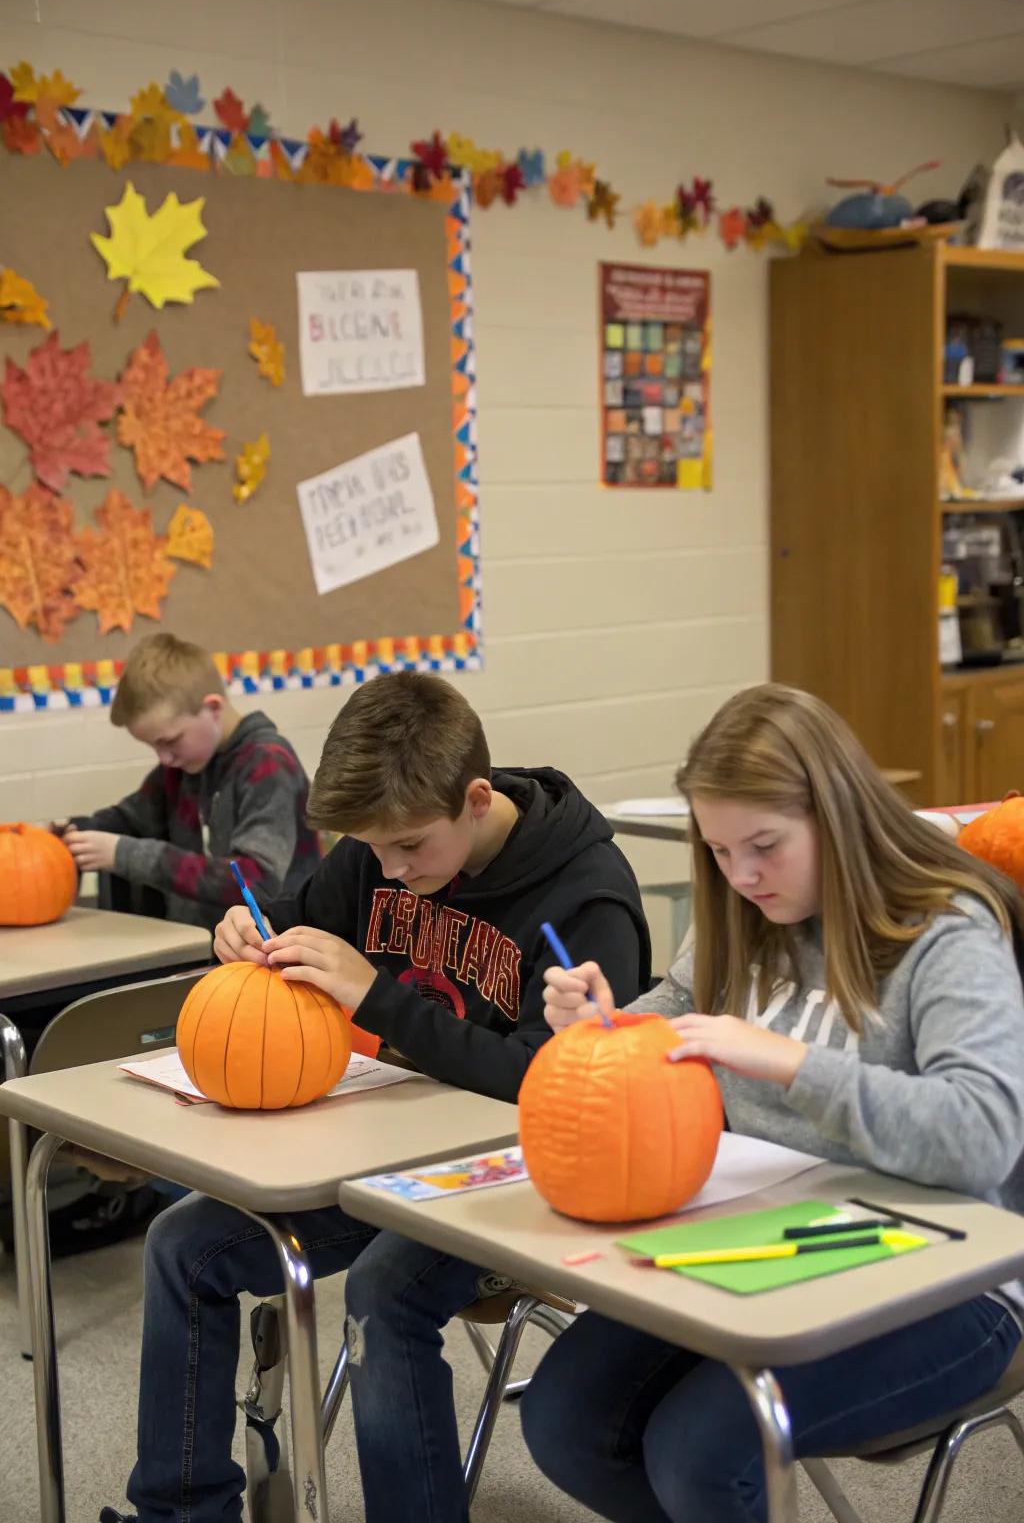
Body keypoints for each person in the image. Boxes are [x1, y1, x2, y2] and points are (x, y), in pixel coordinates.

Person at [102, 670, 650, 1523]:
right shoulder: (380, 847)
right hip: (391, 1153)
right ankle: (179, 1514)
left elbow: (558, 1083)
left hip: (522, 1172)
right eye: (371, 849)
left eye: (408, 849)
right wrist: (252, 928)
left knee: (385, 1291)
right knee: (184, 1243)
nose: (389, 870)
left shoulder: (587, 894)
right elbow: (308, 913)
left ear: (474, 799)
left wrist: (378, 999)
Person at [522, 682, 1024, 1523]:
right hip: (776, 1242)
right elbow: (676, 1023)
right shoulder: (743, 914)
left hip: (952, 1277)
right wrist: (603, 1022)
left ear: (837, 815)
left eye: (765, 845)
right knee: (566, 1419)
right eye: (718, 852)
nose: (742, 875)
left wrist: (795, 1066)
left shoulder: (944, 929)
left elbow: (982, 1138)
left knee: (702, 1452)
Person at [57, 633, 319, 933]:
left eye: (170, 741)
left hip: (277, 951)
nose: (165, 758)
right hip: (207, 945)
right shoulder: (183, 766)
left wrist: (126, 855)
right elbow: (128, 820)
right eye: (154, 748)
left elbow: (254, 880)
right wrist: (68, 834)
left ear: (213, 708)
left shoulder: (269, 765)